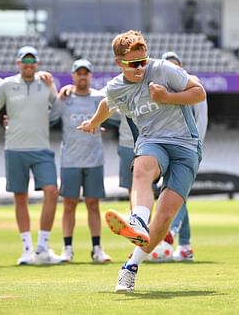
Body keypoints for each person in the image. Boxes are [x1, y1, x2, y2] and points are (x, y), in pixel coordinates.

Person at [78, 30, 206, 293]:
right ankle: (137, 219)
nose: (140, 68)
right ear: (119, 63)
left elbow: (199, 93)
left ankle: (130, 266)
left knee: (166, 215)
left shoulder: (164, 69)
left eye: (143, 61)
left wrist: (167, 98)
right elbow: (107, 104)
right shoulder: (116, 87)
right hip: (152, 140)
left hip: (186, 144)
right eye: (133, 64)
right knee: (142, 167)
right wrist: (93, 123)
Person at [0, 46, 62, 265]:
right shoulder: (6, 85)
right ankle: (26, 250)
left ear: (37, 64)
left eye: (32, 62)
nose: (29, 65)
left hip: (41, 148)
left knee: (52, 191)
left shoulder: (47, 84)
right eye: (25, 61)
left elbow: (59, 108)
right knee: (20, 197)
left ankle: (42, 248)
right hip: (14, 149)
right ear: (18, 64)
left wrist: (55, 88)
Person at [50, 59, 111, 263]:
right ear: (73, 76)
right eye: (79, 73)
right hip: (70, 159)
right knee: (69, 204)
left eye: (86, 73)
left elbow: (116, 116)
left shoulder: (99, 97)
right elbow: (49, 119)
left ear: (90, 75)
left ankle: (96, 248)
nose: (82, 76)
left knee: (93, 204)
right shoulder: (64, 99)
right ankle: (67, 248)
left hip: (94, 158)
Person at [157, 51, 208, 262]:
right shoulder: (159, 90)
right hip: (167, 148)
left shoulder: (192, 87)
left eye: (176, 66)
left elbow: (201, 119)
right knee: (177, 193)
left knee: (176, 192)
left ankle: (171, 234)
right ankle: (185, 246)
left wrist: (196, 148)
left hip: (187, 149)